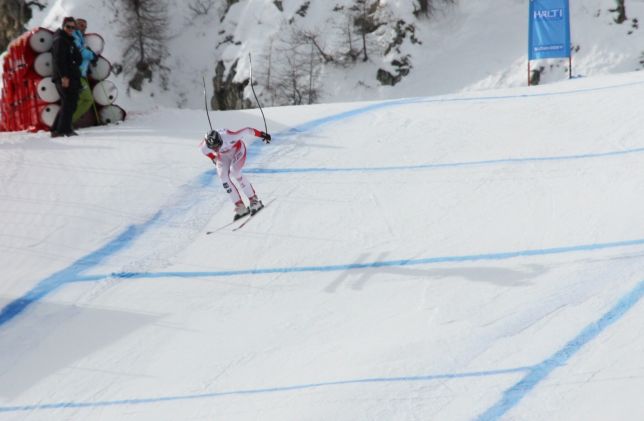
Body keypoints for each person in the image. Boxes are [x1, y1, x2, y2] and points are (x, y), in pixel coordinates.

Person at [200, 127, 272, 220]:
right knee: (223, 178)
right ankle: (240, 205)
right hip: (223, 156)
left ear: (220, 140)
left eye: (217, 146)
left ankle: (254, 200)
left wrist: (262, 135)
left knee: (235, 171)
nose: (216, 148)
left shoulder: (229, 136)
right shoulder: (204, 147)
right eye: (213, 148)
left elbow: (248, 130)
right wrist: (213, 158)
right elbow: (206, 153)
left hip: (237, 149)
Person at [50, 17, 82, 137]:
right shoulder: (60, 40)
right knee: (70, 103)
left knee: (67, 103)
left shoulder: (68, 40)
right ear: (63, 26)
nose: (70, 29)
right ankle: (63, 130)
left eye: (73, 27)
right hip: (64, 77)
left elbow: (78, 58)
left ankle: (56, 129)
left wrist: (75, 57)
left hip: (70, 75)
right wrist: (64, 76)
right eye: (68, 27)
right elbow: (59, 60)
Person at [71, 18, 98, 125]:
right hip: (76, 73)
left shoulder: (79, 37)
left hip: (81, 73)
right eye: (81, 25)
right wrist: (92, 55)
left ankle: (67, 122)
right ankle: (68, 122)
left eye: (85, 26)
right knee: (87, 99)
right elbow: (79, 51)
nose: (83, 28)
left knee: (79, 99)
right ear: (75, 24)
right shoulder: (74, 35)